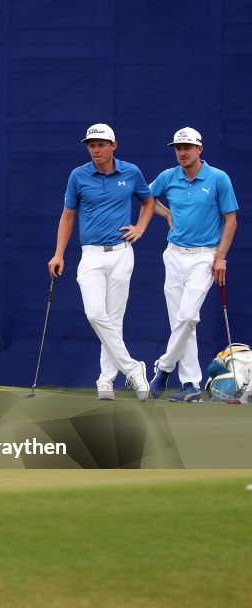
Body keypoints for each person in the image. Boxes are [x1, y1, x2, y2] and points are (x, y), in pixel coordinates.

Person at [48, 123, 155, 400]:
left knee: (114, 319)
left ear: (113, 145)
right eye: (91, 145)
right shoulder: (78, 176)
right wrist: (59, 253)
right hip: (91, 255)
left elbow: (148, 201)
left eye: (100, 144)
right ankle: (133, 368)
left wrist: (140, 228)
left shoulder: (131, 172)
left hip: (121, 252)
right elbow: (68, 215)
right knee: (95, 314)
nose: (95, 150)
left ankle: (105, 381)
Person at [148, 127, 238, 402]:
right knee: (182, 323)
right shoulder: (168, 176)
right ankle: (191, 386)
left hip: (204, 257)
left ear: (200, 149)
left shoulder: (218, 178)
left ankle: (163, 368)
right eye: (178, 148)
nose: (182, 153)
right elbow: (146, 197)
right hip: (174, 255)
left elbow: (231, 220)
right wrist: (165, 214)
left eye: (187, 147)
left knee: (187, 317)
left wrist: (220, 257)